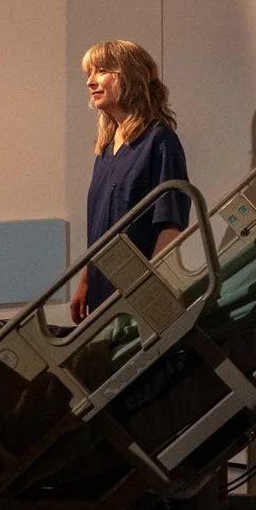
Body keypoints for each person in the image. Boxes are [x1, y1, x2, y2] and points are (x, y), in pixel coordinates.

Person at [69, 40, 191, 323]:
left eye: (101, 71)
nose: (90, 81)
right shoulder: (105, 148)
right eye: (89, 73)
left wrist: (147, 288)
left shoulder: (159, 141)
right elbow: (99, 228)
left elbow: (171, 223)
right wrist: (86, 280)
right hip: (102, 290)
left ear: (129, 75)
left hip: (136, 292)